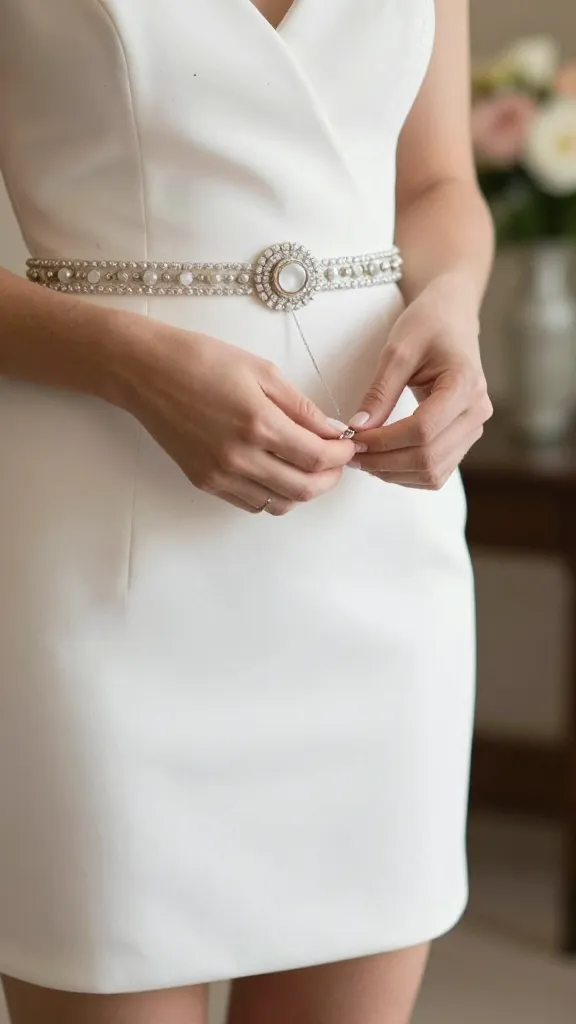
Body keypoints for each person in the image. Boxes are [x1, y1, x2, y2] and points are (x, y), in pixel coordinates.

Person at [0, 0, 493, 1021]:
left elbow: (439, 182)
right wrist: (123, 359)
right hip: (100, 555)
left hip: (375, 541)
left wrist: (453, 298)